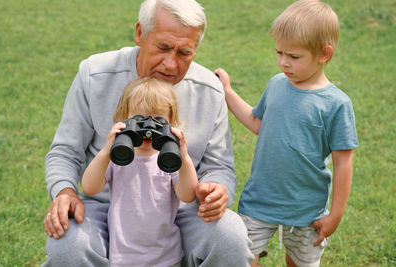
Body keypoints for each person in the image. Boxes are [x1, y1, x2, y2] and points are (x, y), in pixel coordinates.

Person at [42, 0, 253, 266]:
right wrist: (65, 192)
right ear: (140, 33)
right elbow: (65, 152)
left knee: (230, 236)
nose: (170, 64)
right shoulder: (94, 74)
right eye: (163, 47)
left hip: (181, 205)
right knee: (68, 244)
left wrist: (218, 189)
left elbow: (219, 166)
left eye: (184, 53)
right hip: (103, 207)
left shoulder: (209, 90)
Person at [214, 0, 359, 266]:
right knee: (242, 258)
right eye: (279, 53)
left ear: (324, 54)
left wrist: (335, 215)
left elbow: (343, 161)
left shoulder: (336, 104)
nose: (283, 63)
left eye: (293, 57)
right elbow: (259, 123)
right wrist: (227, 92)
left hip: (306, 211)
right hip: (260, 201)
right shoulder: (277, 84)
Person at [81, 77, 198, 267]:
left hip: (166, 256)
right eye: (139, 120)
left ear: (171, 123)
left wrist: (184, 158)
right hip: (124, 256)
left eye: (158, 121)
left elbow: (188, 194)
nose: (148, 130)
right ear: (123, 118)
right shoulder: (119, 156)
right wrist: (105, 152)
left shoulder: (168, 158)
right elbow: (89, 187)